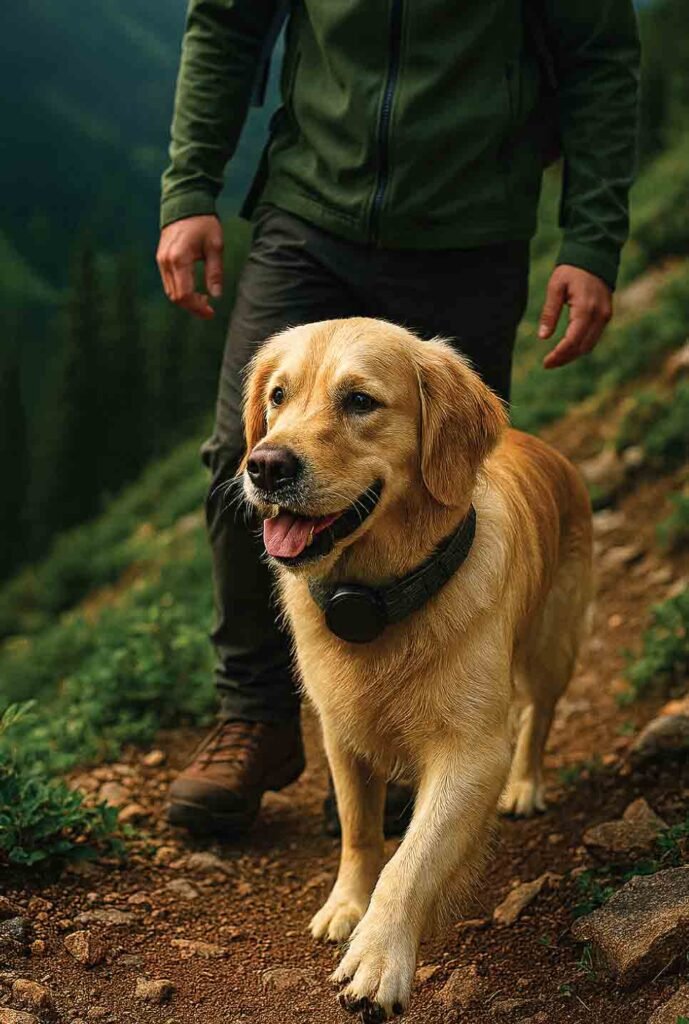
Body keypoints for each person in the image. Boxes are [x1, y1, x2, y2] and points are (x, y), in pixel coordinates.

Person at [157, 0, 640, 837]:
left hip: (470, 229)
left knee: (450, 483)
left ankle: (437, 726)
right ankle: (257, 716)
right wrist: (189, 186)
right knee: (245, 457)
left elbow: (601, 56)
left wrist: (590, 239)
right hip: (309, 210)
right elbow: (227, 22)